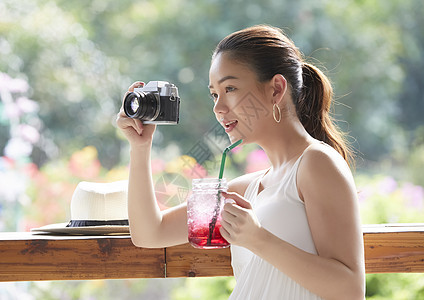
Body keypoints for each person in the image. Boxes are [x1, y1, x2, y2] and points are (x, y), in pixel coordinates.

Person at [116, 24, 365, 300]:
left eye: (230, 88)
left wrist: (258, 238)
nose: (218, 108)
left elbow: (350, 289)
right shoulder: (244, 189)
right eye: (214, 94)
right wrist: (140, 147)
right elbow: (150, 233)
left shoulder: (317, 163)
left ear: (276, 89)